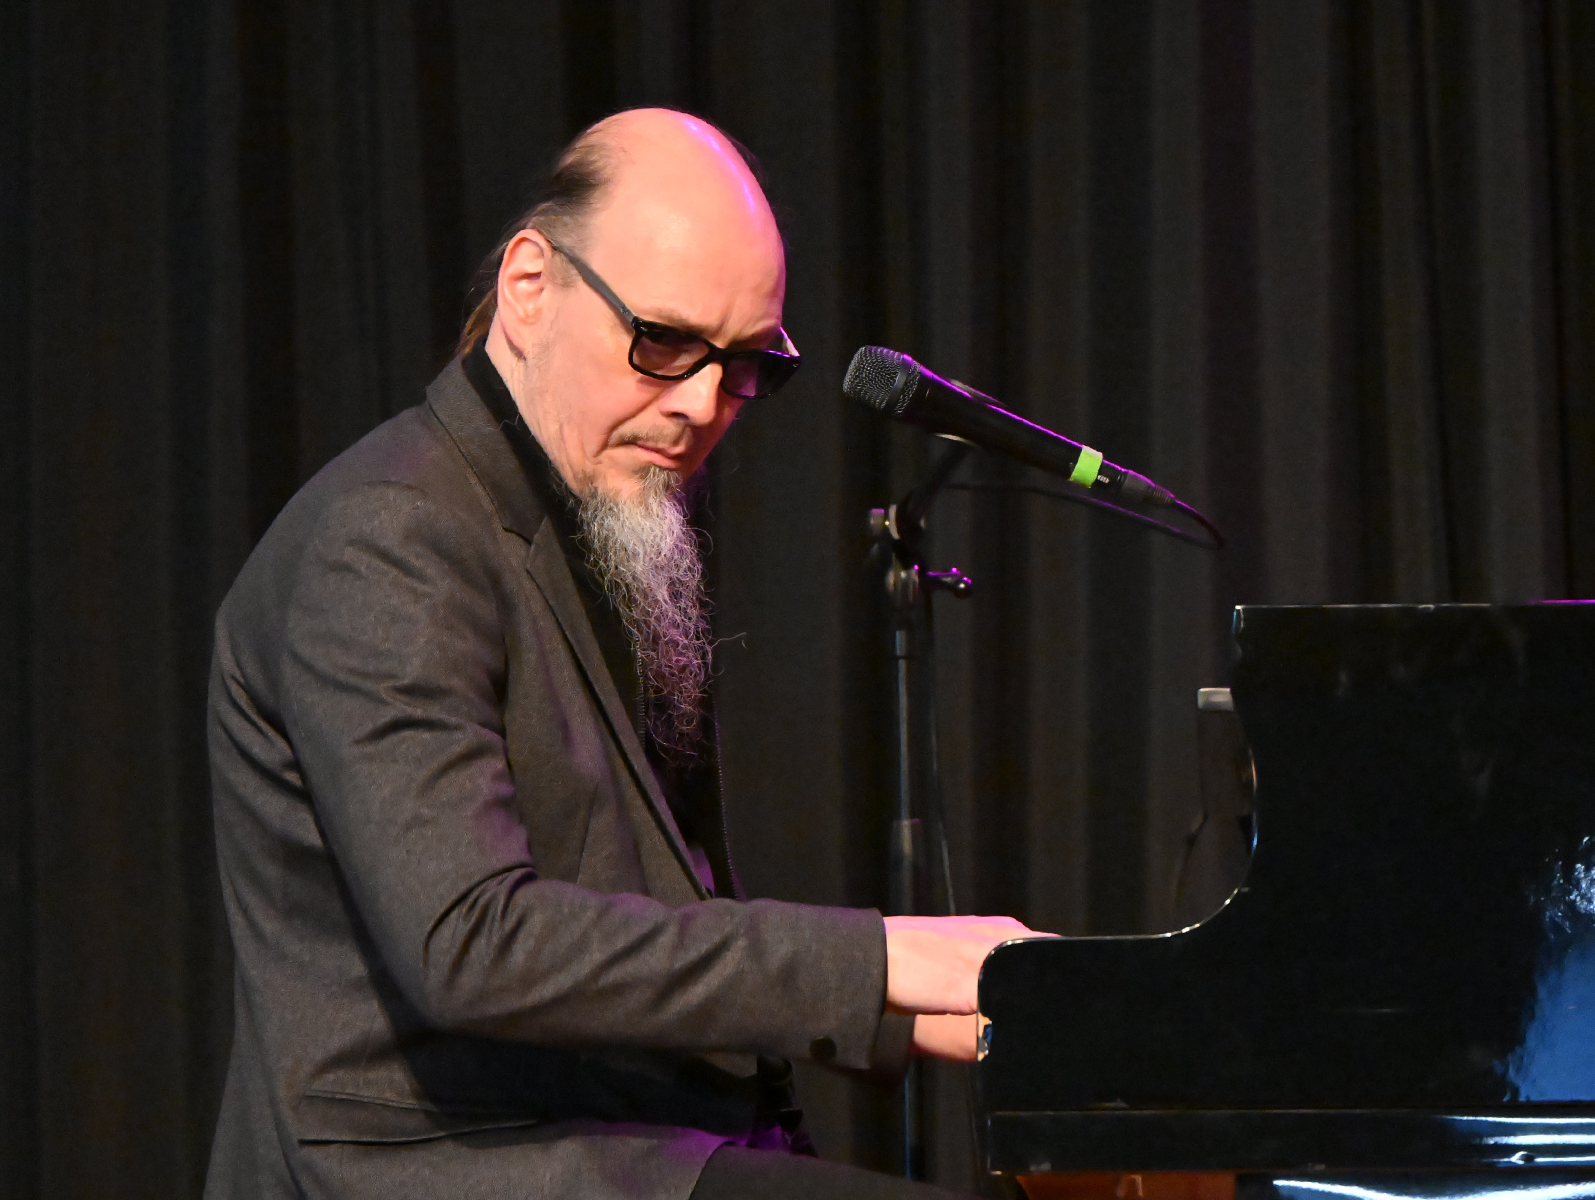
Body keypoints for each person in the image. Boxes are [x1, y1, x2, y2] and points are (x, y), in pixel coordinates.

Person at [204, 108, 1046, 1199]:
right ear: (529, 287)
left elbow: (636, 901)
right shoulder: (389, 538)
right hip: (441, 1166)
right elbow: (472, 945)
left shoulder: (580, 512)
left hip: (606, 1141)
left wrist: (928, 1008)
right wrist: (882, 961)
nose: (701, 404)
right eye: (662, 342)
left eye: (744, 364)